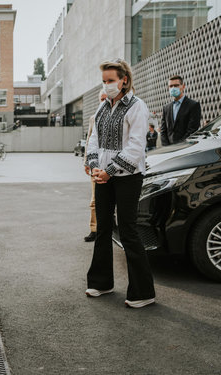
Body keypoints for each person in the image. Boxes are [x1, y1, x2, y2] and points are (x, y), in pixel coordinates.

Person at [85, 58, 155, 309]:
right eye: (104, 81)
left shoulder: (137, 106)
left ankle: (144, 291)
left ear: (124, 80)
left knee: (127, 229)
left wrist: (110, 171)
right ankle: (101, 282)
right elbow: (93, 138)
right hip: (102, 175)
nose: (107, 85)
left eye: (111, 80)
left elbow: (136, 146)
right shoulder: (103, 106)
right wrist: (94, 166)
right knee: (103, 227)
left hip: (127, 177)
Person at [83, 89, 107, 242]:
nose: (104, 101)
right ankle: (94, 229)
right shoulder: (93, 118)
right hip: (95, 165)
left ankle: (109, 228)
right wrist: (86, 161)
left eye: (106, 98)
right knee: (94, 200)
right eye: (102, 99)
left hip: (110, 165)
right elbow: (89, 140)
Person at [160, 75, 201, 146]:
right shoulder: (166, 108)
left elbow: (192, 130)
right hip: (168, 150)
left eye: (176, 85)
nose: (173, 88)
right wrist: (167, 147)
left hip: (185, 148)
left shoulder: (193, 105)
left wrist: (179, 146)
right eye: (171, 86)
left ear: (183, 86)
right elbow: (163, 131)